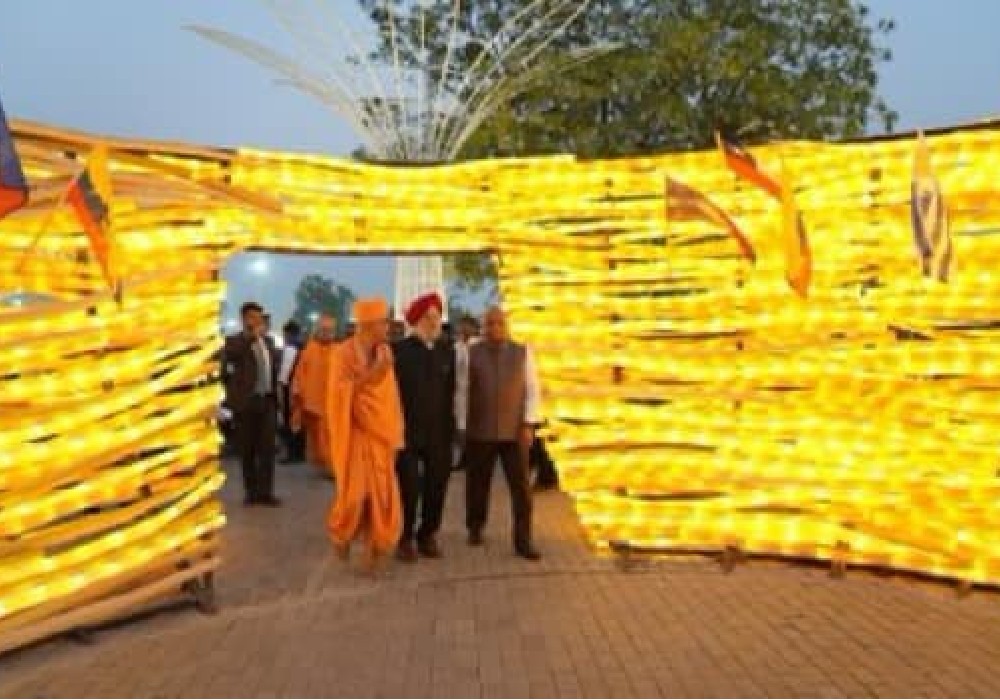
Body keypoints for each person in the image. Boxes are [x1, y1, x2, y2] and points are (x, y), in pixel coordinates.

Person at [326, 297, 404, 573]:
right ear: (369, 325)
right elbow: (338, 395)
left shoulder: (385, 354)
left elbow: (389, 399)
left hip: (379, 436)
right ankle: (341, 533)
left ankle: (374, 552)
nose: (388, 328)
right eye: (384, 322)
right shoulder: (343, 353)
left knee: (379, 497)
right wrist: (372, 375)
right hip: (354, 434)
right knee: (355, 496)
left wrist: (394, 434)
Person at [458, 306, 542, 560]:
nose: (495, 328)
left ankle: (523, 540)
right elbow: (461, 392)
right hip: (479, 430)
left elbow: (532, 390)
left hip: (513, 431)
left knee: (521, 490)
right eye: (490, 324)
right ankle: (475, 526)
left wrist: (529, 423)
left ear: (507, 326)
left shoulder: (523, 353)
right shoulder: (469, 353)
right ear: (483, 327)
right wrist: (462, 425)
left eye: (499, 324)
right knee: (477, 485)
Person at [392, 292, 456, 561]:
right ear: (416, 320)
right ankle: (404, 537)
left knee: (436, 486)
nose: (434, 323)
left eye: (437, 317)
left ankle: (427, 534)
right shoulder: (398, 351)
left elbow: (452, 391)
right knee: (408, 488)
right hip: (405, 433)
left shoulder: (446, 350)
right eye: (429, 317)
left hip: (439, 432)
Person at [221, 301, 281, 507]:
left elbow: (274, 368)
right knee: (247, 450)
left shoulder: (269, 342)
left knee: (267, 449)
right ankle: (251, 492)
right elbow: (231, 356)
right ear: (244, 319)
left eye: (259, 317)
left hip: (267, 401)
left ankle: (266, 492)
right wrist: (249, 337)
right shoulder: (235, 341)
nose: (257, 321)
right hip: (247, 403)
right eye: (252, 317)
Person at [291, 313, 338, 474]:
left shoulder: (339, 350)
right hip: (314, 404)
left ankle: (333, 467)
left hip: (334, 402)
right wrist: (298, 395)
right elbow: (299, 376)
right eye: (324, 330)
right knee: (319, 438)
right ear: (317, 331)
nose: (327, 334)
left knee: (333, 437)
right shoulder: (308, 351)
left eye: (330, 331)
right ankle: (327, 466)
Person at [452, 315, 480, 471]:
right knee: (461, 429)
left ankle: (471, 460)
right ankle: (465, 458)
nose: (461, 329)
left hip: (475, 394)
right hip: (460, 393)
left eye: (464, 326)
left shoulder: (478, 345)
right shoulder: (457, 346)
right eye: (460, 326)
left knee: (472, 429)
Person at [278, 320, 305, 463]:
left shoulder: (290, 348)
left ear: (287, 333)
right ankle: (300, 453)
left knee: (289, 420)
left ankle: (292, 453)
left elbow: (285, 373)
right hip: (303, 388)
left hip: (291, 389)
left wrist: (281, 388)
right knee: (299, 421)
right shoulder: (304, 347)